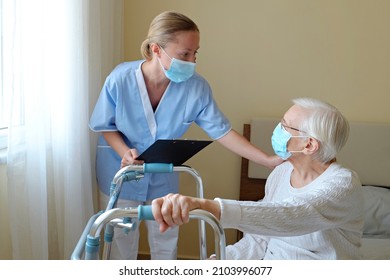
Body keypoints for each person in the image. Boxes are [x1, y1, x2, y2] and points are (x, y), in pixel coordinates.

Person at [89, 11, 282, 260]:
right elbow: (105, 124)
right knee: (121, 243)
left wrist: (266, 160)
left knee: (166, 241)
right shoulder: (120, 79)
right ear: (156, 49)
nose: (192, 61)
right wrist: (123, 153)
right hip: (121, 171)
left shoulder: (196, 87)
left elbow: (222, 131)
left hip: (163, 174)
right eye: (184, 54)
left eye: (195, 53)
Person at [152, 97, 365, 260]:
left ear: (308, 145)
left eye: (285, 126)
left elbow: (290, 215)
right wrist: (226, 259)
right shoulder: (281, 173)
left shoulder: (343, 184)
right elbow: (261, 236)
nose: (277, 130)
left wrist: (209, 207)